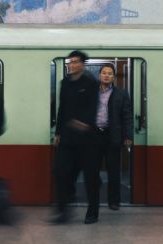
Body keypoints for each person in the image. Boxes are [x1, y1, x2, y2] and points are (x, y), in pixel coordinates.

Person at [51, 50, 99, 224]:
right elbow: (62, 108)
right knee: (60, 172)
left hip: (87, 139)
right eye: (70, 62)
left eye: (76, 61)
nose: (72, 64)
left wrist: (85, 122)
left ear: (83, 64)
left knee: (90, 176)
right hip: (67, 137)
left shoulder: (91, 83)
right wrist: (57, 133)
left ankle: (93, 211)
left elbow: (94, 107)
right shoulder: (65, 83)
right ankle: (62, 210)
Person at [93, 64, 133, 213]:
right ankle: (94, 199)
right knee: (92, 170)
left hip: (112, 135)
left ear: (114, 77)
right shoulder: (92, 92)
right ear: (99, 75)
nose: (107, 75)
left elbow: (127, 116)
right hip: (95, 135)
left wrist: (128, 135)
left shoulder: (121, 94)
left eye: (110, 73)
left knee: (114, 171)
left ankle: (114, 201)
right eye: (104, 73)